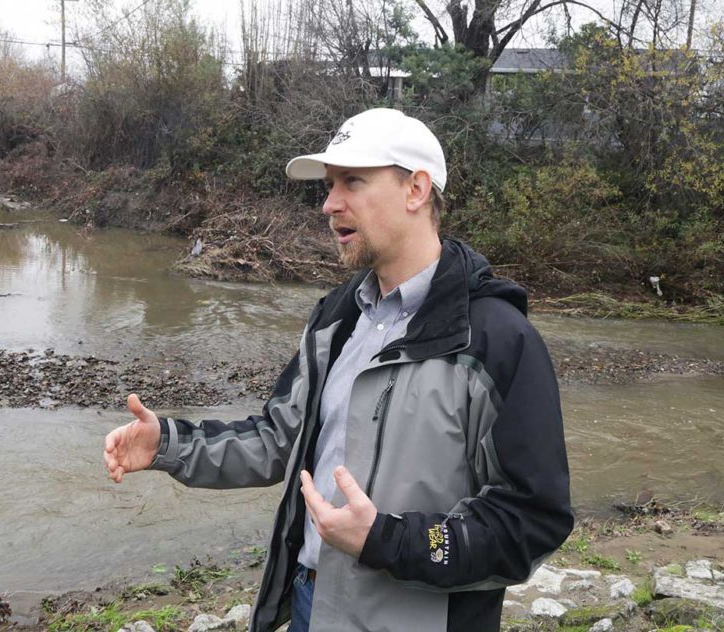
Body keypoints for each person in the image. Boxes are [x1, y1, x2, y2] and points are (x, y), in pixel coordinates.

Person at [103, 108, 573, 632]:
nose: (330, 204)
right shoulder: (337, 318)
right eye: (329, 186)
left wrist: (387, 540)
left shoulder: (496, 340)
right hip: (311, 605)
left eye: (352, 181)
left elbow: (531, 520)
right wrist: (167, 442)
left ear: (416, 189)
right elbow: (277, 438)